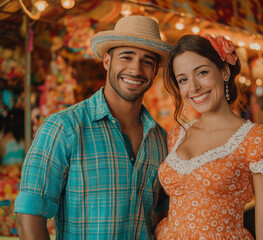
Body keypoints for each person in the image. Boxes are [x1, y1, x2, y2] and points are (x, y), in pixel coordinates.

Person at [14, 15, 172, 239]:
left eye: (147, 61)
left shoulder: (161, 139)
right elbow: (28, 217)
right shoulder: (63, 128)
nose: (136, 70)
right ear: (107, 61)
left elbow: (166, 215)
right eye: (126, 57)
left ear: (155, 70)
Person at [154, 34, 263, 240]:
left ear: (224, 71)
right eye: (183, 79)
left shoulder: (257, 139)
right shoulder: (176, 134)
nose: (194, 87)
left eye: (202, 72)